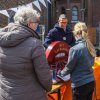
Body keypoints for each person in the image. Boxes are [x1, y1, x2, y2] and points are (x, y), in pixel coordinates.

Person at [0, 7, 52, 100]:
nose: (37, 25)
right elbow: (44, 75)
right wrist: (49, 87)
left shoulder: (2, 40)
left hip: (5, 94)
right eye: (36, 22)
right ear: (30, 23)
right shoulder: (35, 44)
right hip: (30, 95)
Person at [58, 22, 96, 100]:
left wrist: (60, 74)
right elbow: (91, 63)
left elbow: (69, 67)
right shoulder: (90, 46)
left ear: (75, 33)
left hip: (80, 84)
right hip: (91, 81)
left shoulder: (75, 49)